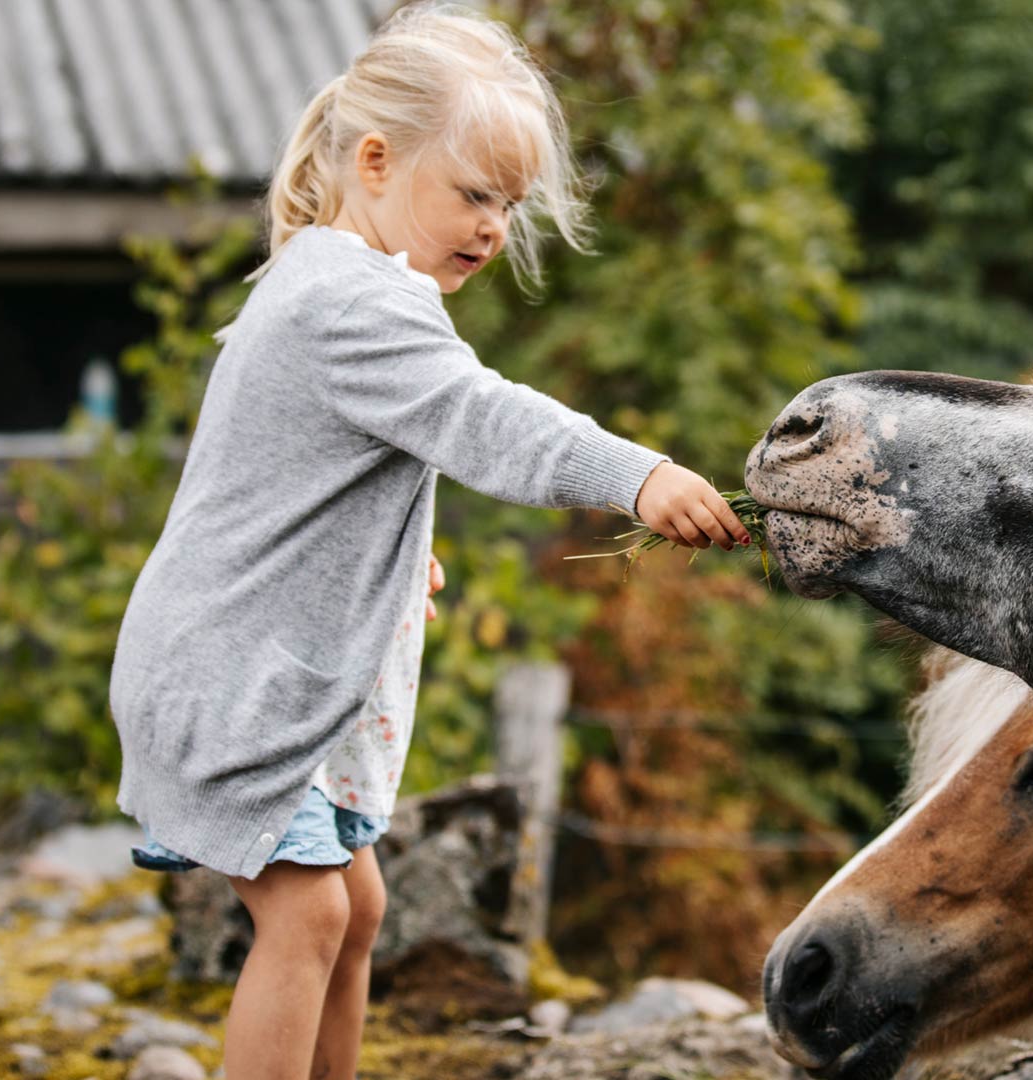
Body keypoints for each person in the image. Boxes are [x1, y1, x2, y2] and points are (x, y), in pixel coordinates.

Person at [107, 6, 750, 1078]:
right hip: (227, 677)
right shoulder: (349, 303)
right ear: (375, 160)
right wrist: (638, 475)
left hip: (237, 656)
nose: (494, 226)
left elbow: (288, 482)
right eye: (474, 193)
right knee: (308, 918)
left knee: (355, 909)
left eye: (508, 204)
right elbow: (486, 419)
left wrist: (392, 556)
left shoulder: (331, 279)